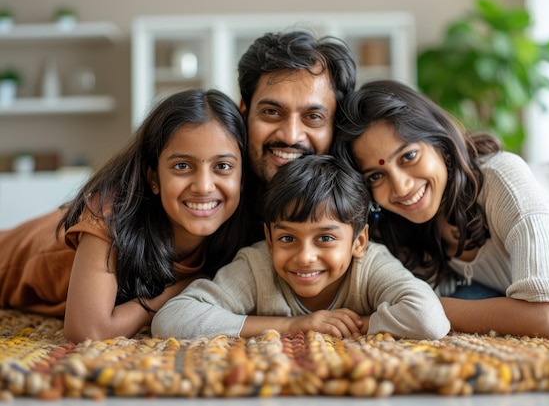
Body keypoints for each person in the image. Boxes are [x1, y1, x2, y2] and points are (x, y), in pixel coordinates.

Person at [333, 79, 549, 341]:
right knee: (461, 303)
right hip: (502, 279)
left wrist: (429, 306)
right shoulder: (393, 223)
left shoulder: (501, 179)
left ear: (440, 143)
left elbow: (548, 320)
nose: (400, 186)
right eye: (375, 176)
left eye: (409, 156)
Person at [0, 88, 251, 342]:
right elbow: (88, 331)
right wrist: (174, 292)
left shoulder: (244, 228)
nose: (204, 186)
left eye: (222, 166)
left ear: (242, 177)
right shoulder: (110, 211)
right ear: (153, 177)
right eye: (182, 166)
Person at [152, 154, 450, 341]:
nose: (305, 257)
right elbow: (171, 319)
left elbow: (428, 320)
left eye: (325, 238)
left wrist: (346, 325)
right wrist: (296, 324)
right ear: (269, 239)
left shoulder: (371, 265)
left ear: (359, 241)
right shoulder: (256, 266)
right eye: (287, 239)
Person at [237, 30, 357, 241]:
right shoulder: (213, 203)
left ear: (336, 125)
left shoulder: (365, 212)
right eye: (272, 112)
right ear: (244, 113)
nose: (291, 136)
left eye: (313, 116)